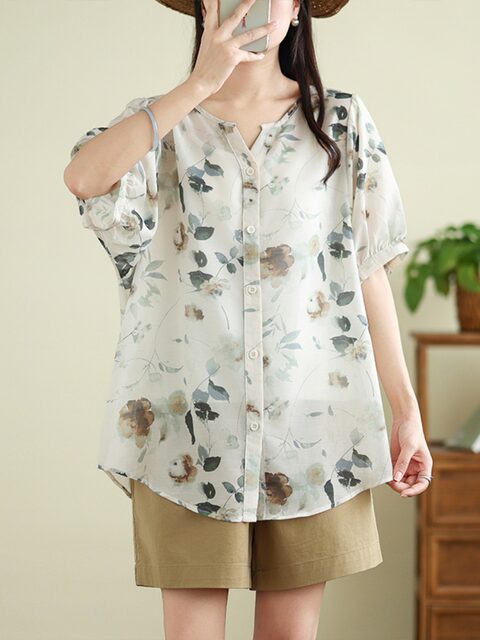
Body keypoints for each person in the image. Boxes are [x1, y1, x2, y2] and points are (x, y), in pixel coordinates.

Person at [64, 0, 433, 637]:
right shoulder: (161, 124)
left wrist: (406, 412)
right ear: (204, 6)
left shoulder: (340, 122)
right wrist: (199, 84)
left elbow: (367, 269)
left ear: (297, 9)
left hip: (313, 427)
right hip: (185, 432)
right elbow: (83, 178)